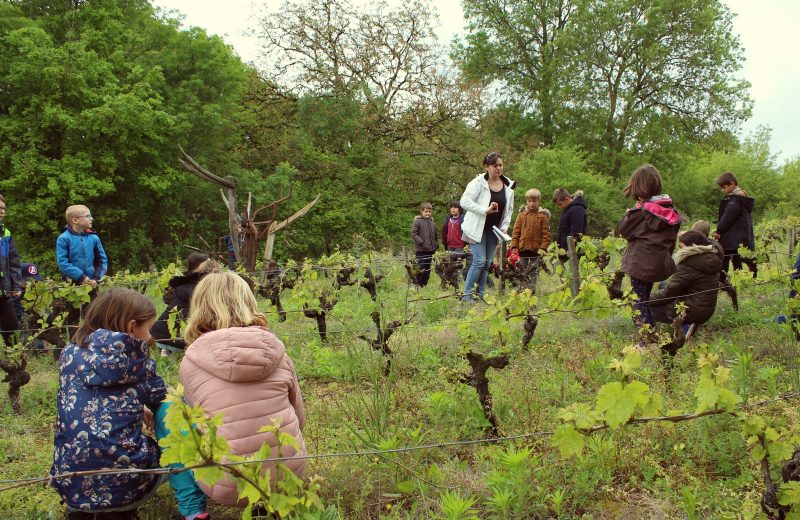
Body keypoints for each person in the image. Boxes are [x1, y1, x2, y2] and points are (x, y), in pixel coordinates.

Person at [168, 269, 306, 509]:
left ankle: (191, 508)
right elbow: (300, 418)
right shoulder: (278, 352)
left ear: (199, 307)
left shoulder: (191, 361)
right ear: (249, 301)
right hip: (288, 471)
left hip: (227, 482)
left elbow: (198, 425)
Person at [51, 288, 167, 520]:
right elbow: (158, 395)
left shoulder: (68, 354)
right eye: (149, 328)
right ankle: (121, 507)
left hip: (69, 477)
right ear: (132, 327)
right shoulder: (138, 360)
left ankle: (83, 507)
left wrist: (133, 405)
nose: (150, 336)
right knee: (165, 444)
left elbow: (93, 396)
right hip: (126, 479)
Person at [618, 164, 681, 339]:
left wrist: (629, 213)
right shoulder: (668, 210)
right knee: (644, 299)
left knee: (637, 301)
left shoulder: (641, 212)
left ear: (639, 187)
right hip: (658, 262)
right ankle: (652, 335)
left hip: (641, 263)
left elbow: (624, 230)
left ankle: (647, 339)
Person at [460, 152, 516, 301]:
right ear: (486, 167)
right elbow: (464, 201)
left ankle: (480, 295)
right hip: (476, 229)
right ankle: (467, 296)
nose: (498, 168)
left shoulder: (509, 185)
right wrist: (484, 209)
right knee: (479, 261)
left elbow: (509, 210)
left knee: (487, 264)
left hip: (494, 230)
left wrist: (505, 226)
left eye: (500, 165)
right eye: (494, 165)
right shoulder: (478, 182)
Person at [649, 230, 723, 330]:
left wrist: (644, 299)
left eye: (680, 246)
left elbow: (668, 293)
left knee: (645, 308)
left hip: (692, 311)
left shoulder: (688, 262)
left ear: (690, 246)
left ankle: (681, 327)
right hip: (706, 308)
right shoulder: (711, 256)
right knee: (664, 284)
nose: (679, 249)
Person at [150, 252, 216, 355]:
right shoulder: (206, 288)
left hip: (159, 333)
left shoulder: (181, 284)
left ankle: (167, 349)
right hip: (185, 338)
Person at [713, 172, 757, 277]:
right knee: (738, 257)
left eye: (724, 187)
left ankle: (723, 280)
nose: (723, 190)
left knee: (725, 258)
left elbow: (728, 217)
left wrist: (719, 230)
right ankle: (743, 277)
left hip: (732, 236)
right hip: (739, 236)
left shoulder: (735, 200)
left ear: (732, 184)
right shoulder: (741, 199)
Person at [509, 189, 551, 293]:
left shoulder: (543, 216)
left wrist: (543, 248)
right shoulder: (522, 215)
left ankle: (532, 290)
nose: (532, 203)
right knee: (521, 270)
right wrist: (514, 245)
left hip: (536, 250)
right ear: (526, 201)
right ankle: (522, 289)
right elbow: (516, 231)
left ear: (539, 202)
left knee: (533, 271)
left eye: (534, 201)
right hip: (523, 248)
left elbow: (546, 235)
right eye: (529, 201)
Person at [0, 193, 22, 347]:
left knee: (12, 326)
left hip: (3, 290)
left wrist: (15, 285)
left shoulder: (6, 234)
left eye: (3, 208)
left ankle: (13, 365)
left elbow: (13, 262)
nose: (2, 211)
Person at [552, 188, 588, 263]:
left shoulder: (577, 210)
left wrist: (570, 250)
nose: (560, 207)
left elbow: (576, 232)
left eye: (560, 204)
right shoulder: (568, 209)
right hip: (565, 249)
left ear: (567, 199)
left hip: (573, 251)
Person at [410, 202, 438, 287]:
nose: (428, 213)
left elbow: (435, 236)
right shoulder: (417, 222)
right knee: (420, 268)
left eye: (429, 211)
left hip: (430, 250)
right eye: (426, 211)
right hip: (421, 250)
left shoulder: (433, 223)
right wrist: (421, 242)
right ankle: (417, 284)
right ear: (421, 211)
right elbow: (414, 234)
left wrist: (436, 245)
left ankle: (424, 285)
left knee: (427, 269)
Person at [442, 201, 470, 279]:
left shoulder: (463, 219)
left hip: (460, 245)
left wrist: (466, 243)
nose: (453, 209)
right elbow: (444, 231)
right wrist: (444, 242)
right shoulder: (448, 219)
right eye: (451, 207)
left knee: (458, 264)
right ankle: (451, 279)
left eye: (455, 207)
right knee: (450, 264)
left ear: (459, 209)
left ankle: (459, 279)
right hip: (449, 245)